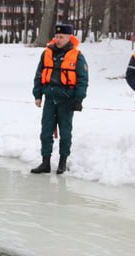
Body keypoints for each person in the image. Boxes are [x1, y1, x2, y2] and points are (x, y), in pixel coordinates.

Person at [31, 23, 88, 174]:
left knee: (65, 132)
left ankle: (62, 162)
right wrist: (37, 95)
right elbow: (38, 75)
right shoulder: (47, 53)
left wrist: (78, 99)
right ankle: (45, 162)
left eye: (61, 37)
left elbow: (83, 80)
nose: (58, 39)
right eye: (56, 36)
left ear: (69, 37)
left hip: (66, 100)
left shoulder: (78, 56)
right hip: (50, 99)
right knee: (46, 132)